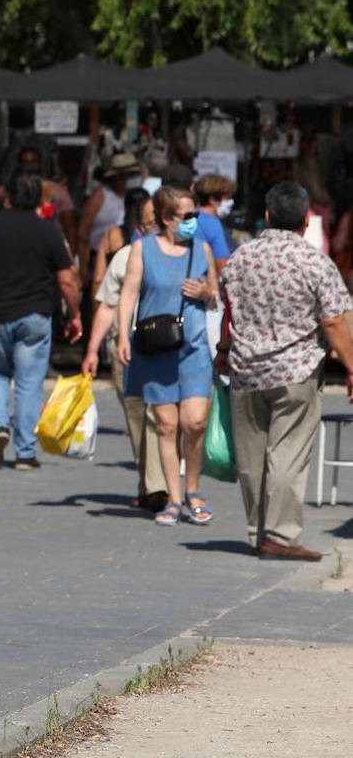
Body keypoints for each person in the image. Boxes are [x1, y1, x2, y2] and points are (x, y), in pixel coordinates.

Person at [219, 182, 353, 560]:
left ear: (266, 216)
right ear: (307, 220)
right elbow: (335, 321)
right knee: (288, 454)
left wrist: (223, 352)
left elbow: (229, 312)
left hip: (245, 371)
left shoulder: (240, 258)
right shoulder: (314, 262)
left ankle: (258, 531)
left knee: (252, 456)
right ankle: (279, 535)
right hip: (295, 371)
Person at [0, 172, 83, 470]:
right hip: (36, 316)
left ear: (7, 198)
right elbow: (67, 281)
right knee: (30, 382)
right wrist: (75, 313)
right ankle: (25, 452)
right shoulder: (49, 232)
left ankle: (0, 426)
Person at [116, 186, 219, 527]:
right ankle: (175, 498)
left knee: (194, 422)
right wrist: (122, 335)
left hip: (194, 349)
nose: (194, 221)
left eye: (195, 215)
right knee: (166, 425)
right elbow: (129, 293)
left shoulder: (201, 250)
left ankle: (194, 487)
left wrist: (205, 292)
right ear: (166, 219)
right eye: (187, 216)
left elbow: (216, 298)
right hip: (156, 347)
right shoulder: (142, 249)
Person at [81, 189, 166, 513]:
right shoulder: (125, 256)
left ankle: (161, 485)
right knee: (137, 419)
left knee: (162, 417)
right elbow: (106, 307)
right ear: (140, 228)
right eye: (150, 224)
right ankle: (152, 485)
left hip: (168, 348)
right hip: (125, 348)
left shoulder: (183, 256)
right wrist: (92, 350)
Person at [78, 153, 143, 271]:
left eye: (129, 175)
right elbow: (83, 232)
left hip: (131, 256)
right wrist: (82, 266)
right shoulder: (100, 196)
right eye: (122, 175)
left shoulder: (138, 197)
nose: (125, 179)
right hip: (100, 257)